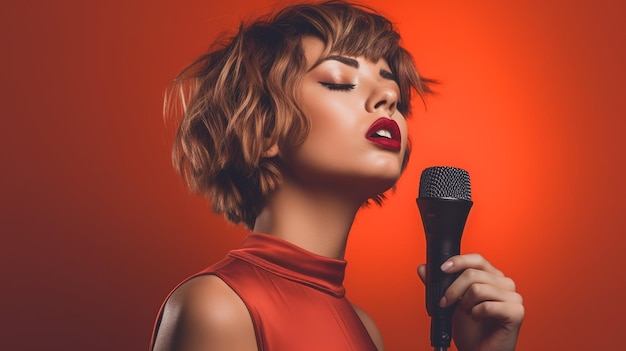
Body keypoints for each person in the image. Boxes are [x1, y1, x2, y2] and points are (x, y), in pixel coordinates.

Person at [150, 1, 524, 350]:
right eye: (338, 80)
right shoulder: (218, 308)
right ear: (264, 131)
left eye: (390, 84)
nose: (388, 97)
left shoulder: (365, 330)